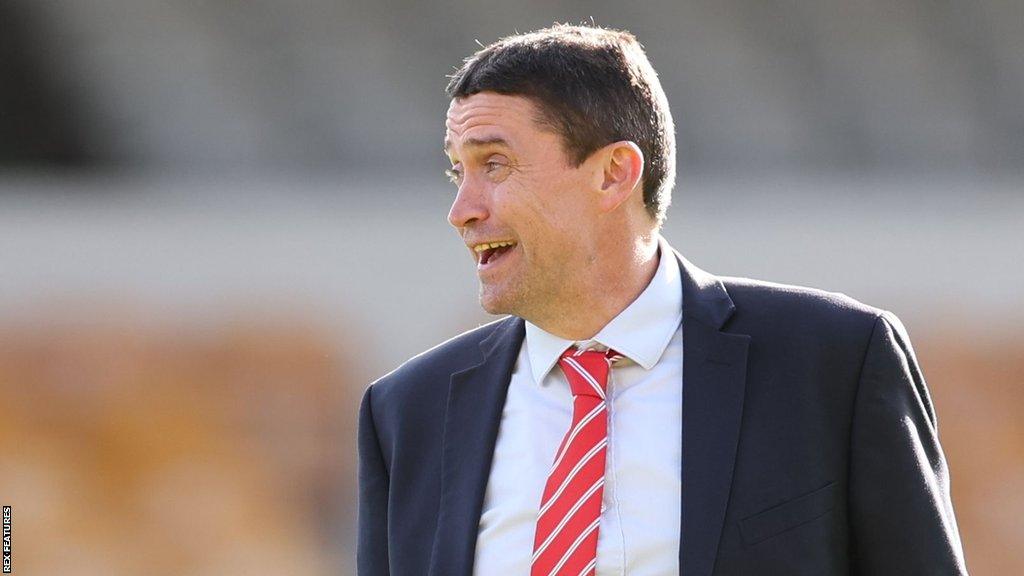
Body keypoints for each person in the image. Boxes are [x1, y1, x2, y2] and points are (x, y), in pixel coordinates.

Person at [357, 24, 967, 576]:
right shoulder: (407, 410)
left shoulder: (835, 360)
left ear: (614, 173)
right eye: (456, 171)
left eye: (494, 164)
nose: (462, 210)